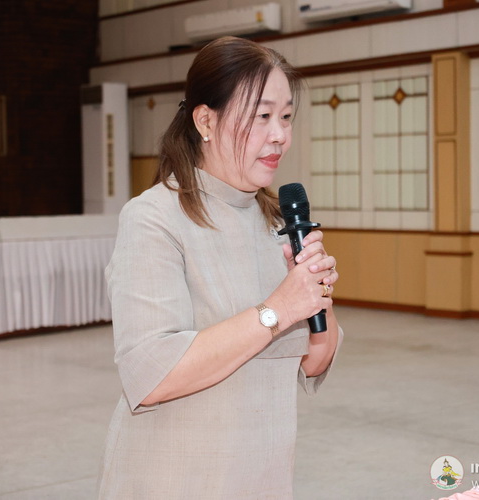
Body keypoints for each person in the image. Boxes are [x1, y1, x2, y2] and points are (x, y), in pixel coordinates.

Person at [97, 36, 343, 499]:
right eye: (261, 116)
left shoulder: (278, 224)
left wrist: (317, 299)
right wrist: (276, 310)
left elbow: (313, 363)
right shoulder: (154, 218)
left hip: (262, 480)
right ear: (205, 121)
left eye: (286, 117)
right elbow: (151, 375)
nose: (279, 135)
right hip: (173, 482)